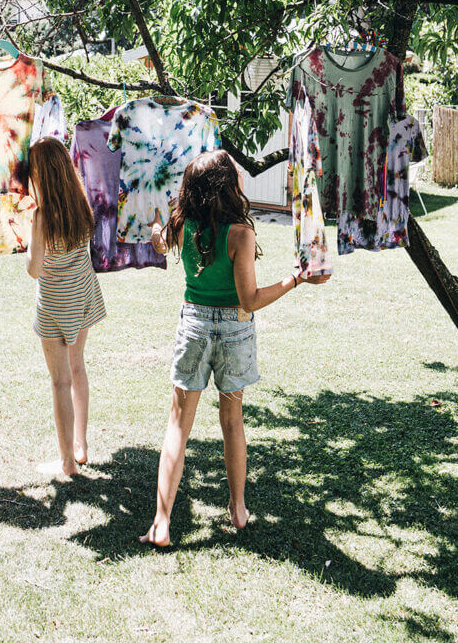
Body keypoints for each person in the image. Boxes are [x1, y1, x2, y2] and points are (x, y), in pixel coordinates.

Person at [140, 149, 331, 546]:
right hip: (234, 330)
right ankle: (238, 509)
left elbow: (159, 243)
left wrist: (158, 227)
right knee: (232, 422)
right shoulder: (241, 234)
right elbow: (249, 299)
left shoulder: (182, 222)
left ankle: (161, 522)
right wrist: (296, 279)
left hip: (193, 325)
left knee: (178, 425)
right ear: (226, 186)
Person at [26, 136, 106, 478]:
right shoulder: (80, 203)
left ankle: (67, 463)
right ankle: (81, 445)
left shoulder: (43, 215)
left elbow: (34, 269)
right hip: (82, 294)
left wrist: (29, 243)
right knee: (78, 368)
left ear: (40, 174)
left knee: (60, 381)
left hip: (55, 302)